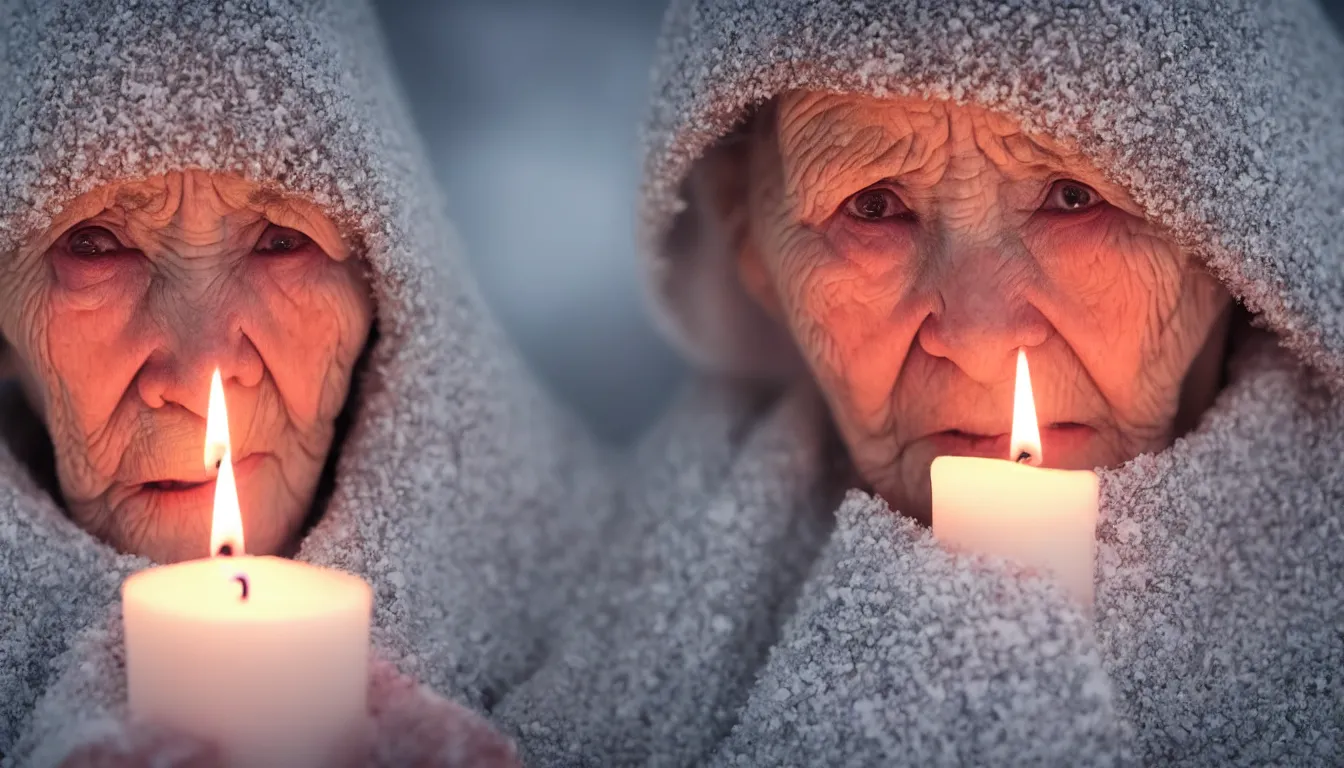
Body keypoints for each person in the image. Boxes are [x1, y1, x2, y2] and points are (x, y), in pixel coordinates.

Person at [495, 0, 1344, 765]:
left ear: (1237, 239)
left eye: (1074, 196)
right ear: (751, 243)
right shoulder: (572, 598)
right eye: (871, 207)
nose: (976, 340)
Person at [0, 1, 611, 765]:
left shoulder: (604, 604)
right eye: (95, 245)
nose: (199, 378)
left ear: (387, 289)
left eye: (282, 241)